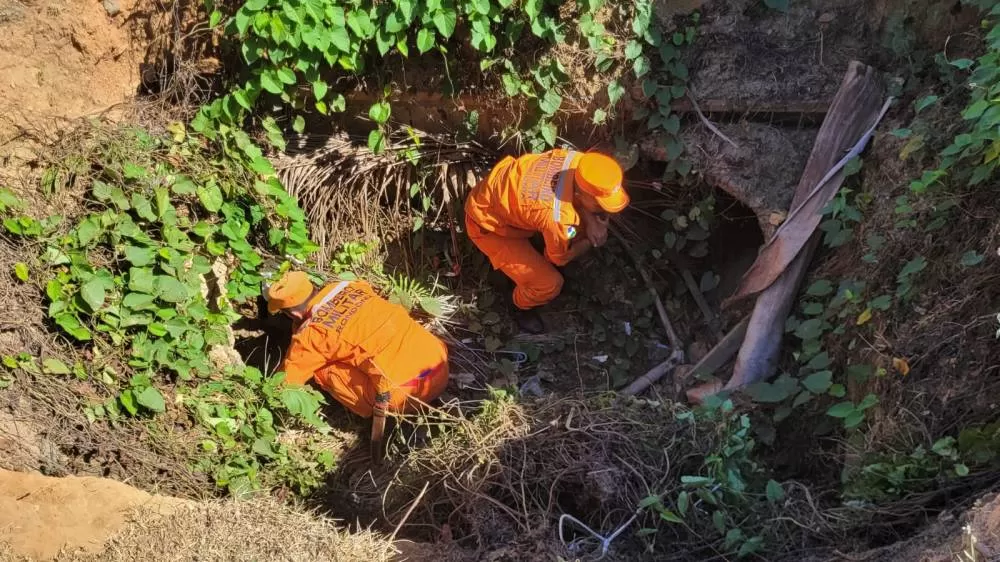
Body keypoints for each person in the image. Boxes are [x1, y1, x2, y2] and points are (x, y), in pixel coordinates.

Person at [265, 271, 449, 461]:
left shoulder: (311, 336)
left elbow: (285, 383)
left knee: (320, 368)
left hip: (407, 395)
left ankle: (376, 417)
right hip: (439, 363)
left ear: (293, 313)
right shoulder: (351, 286)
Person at [464, 149, 630, 333]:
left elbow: (574, 197)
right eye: (599, 205)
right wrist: (593, 240)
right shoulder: (557, 217)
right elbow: (558, 258)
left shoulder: (579, 161)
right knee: (549, 284)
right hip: (488, 226)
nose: (602, 211)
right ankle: (519, 306)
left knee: (575, 229)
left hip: (496, 195)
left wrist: (591, 220)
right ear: (580, 195)